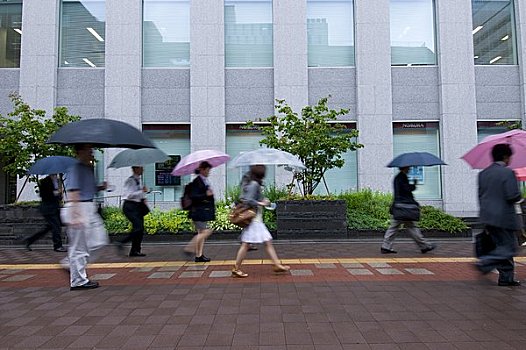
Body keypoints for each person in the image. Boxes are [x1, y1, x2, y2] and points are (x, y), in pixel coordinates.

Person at [62, 144, 109, 290]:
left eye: (92, 150)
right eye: (89, 150)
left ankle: (70, 264)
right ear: (79, 152)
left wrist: (101, 187)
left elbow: (89, 188)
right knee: (79, 247)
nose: (92, 153)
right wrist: (75, 213)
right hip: (78, 206)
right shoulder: (74, 167)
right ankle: (78, 281)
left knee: (100, 241)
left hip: (88, 206)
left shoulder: (89, 168)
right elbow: (73, 190)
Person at [476, 143, 522, 286]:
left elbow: (481, 195)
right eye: (510, 157)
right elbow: (512, 195)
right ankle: (485, 263)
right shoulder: (508, 173)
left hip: (487, 215)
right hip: (504, 216)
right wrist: (520, 195)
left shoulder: (483, 173)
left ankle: (506, 278)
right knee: (510, 248)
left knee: (501, 246)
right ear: (505, 157)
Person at [232, 164, 290, 278]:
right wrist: (261, 203)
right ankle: (236, 268)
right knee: (250, 244)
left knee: (262, 242)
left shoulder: (250, 182)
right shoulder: (254, 184)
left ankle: (276, 264)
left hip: (255, 218)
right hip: (254, 219)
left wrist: (263, 200)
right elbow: (248, 200)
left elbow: (249, 197)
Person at [381, 166, 436, 254]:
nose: (409, 169)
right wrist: (413, 184)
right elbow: (407, 190)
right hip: (404, 207)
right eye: (408, 168)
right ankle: (424, 246)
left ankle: (385, 246)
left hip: (400, 207)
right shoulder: (401, 177)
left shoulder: (398, 177)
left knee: (394, 227)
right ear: (404, 168)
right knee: (411, 227)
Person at [24, 174, 66, 252]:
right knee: (56, 226)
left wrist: (59, 195)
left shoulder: (56, 181)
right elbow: (43, 195)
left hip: (54, 208)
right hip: (48, 208)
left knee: (49, 228)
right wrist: (55, 193)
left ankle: (30, 240)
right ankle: (58, 246)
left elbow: (57, 197)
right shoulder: (45, 182)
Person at [184, 161, 215, 262]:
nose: (208, 172)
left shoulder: (205, 181)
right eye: (207, 170)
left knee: (201, 232)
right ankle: (190, 246)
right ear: (202, 169)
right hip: (197, 211)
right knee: (206, 231)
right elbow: (193, 196)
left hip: (203, 211)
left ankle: (199, 255)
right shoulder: (197, 182)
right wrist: (206, 194)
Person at [116, 166, 149, 257]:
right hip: (130, 206)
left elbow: (139, 194)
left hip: (138, 206)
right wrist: (141, 191)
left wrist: (143, 196)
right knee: (138, 227)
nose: (143, 169)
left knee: (140, 229)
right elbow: (129, 195)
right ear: (135, 169)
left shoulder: (139, 180)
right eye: (140, 168)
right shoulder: (130, 181)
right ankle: (122, 242)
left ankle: (135, 250)